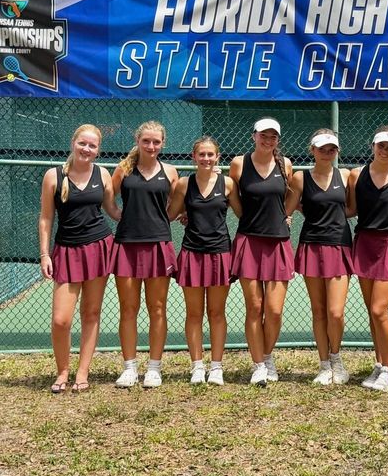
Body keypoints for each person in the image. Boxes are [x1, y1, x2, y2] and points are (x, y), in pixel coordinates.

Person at [38, 124, 120, 394]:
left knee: (91, 313)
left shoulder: (103, 174)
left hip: (99, 248)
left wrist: (154, 212)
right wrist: (45, 254)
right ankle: (62, 372)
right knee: (61, 319)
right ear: (73, 143)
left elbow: (113, 211)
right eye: (83, 143)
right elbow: (46, 218)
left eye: (92, 146)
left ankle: (82, 373)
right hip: (66, 251)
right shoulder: (53, 176)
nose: (87, 149)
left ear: (98, 150)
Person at [110, 121, 179, 389]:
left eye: (156, 142)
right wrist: (119, 215)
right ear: (137, 140)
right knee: (128, 309)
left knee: (157, 308)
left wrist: (166, 219)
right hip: (127, 244)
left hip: (158, 246)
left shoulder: (171, 172)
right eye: (146, 141)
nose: (151, 146)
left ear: (163, 143)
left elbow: (176, 203)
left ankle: (154, 368)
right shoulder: (123, 169)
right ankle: (129, 368)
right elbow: (108, 198)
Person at [168, 136, 242, 385]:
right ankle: (198, 366)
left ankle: (217, 367)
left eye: (211, 154)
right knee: (194, 313)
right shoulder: (183, 184)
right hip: (191, 253)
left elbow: (243, 213)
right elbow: (170, 213)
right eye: (202, 154)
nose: (206, 158)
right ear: (194, 157)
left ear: (217, 157)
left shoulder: (228, 184)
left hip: (220, 253)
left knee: (216, 312)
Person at [286, 129, 353, 386]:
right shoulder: (301, 180)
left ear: (337, 151)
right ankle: (324, 364)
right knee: (319, 310)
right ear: (311, 149)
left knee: (335, 312)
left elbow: (353, 207)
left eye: (332, 148)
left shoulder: (346, 176)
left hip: (339, 246)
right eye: (322, 148)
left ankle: (337, 359)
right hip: (312, 246)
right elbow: (287, 208)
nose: (327, 152)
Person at [229, 118, 294, 386]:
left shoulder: (285, 164)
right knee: (254, 307)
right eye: (263, 135)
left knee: (274, 310)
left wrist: (284, 216)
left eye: (273, 137)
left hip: (278, 243)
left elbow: (289, 197)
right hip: (249, 242)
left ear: (278, 140)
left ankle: (268, 356)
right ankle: (258, 365)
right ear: (254, 136)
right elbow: (234, 201)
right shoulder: (238, 164)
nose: (268, 140)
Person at [347, 126, 388, 393]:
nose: (385, 151)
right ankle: (379, 363)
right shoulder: (354, 175)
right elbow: (350, 208)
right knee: (372, 311)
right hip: (364, 243)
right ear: (372, 146)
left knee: (378, 310)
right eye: (381, 145)